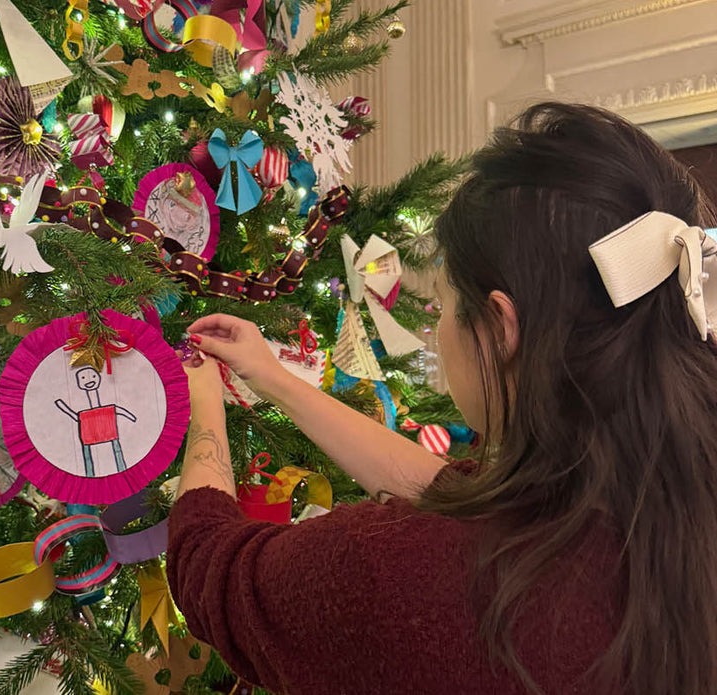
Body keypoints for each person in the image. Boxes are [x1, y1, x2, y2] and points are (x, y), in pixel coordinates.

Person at [166, 102, 717, 695]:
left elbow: (211, 568)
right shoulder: (656, 506)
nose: (440, 324)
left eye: (447, 302)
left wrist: (203, 401)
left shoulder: (414, 582)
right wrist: (274, 378)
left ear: (500, 328)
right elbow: (451, 492)